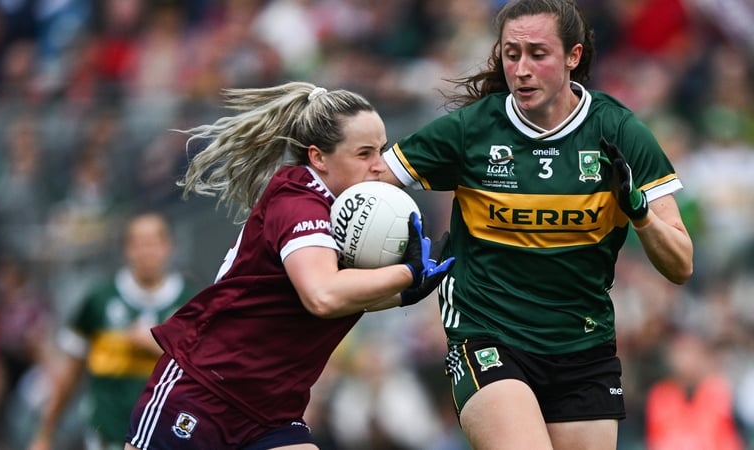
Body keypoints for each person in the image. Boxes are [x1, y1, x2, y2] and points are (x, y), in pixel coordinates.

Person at [378, 0, 694, 449]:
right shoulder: (471, 130)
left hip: (583, 348)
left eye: (537, 54)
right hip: (487, 336)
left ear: (573, 56)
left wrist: (639, 209)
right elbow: (367, 187)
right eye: (511, 54)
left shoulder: (618, 130)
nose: (521, 69)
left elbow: (681, 265)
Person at [123, 82, 455, 450]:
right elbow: (322, 297)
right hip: (204, 393)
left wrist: (405, 292)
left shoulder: (347, 211)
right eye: (364, 153)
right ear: (318, 158)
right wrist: (406, 273)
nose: (380, 165)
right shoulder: (298, 201)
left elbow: (335, 299)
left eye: (381, 149)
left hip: (270, 416)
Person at [29, 211, 199, 450]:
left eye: (152, 242)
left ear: (167, 246)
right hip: (108, 434)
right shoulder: (99, 300)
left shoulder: (192, 304)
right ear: (127, 249)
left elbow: (205, 373)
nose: (146, 251)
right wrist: (45, 431)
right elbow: (70, 374)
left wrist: (159, 346)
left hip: (167, 439)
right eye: (138, 243)